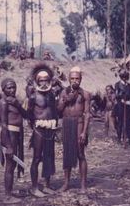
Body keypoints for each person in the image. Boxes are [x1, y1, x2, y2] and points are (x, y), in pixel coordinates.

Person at [57, 66, 91, 194]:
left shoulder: (85, 94)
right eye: (72, 78)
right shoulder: (63, 92)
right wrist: (66, 100)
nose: (75, 81)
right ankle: (66, 183)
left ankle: (83, 185)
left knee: (80, 154)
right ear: (69, 79)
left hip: (79, 123)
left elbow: (87, 113)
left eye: (77, 78)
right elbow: (59, 110)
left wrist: (84, 132)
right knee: (67, 154)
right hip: (66, 123)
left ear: (81, 79)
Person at [27, 63, 58, 197]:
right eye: (41, 81)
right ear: (37, 81)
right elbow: (29, 115)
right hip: (39, 130)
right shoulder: (33, 97)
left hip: (51, 129)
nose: (44, 83)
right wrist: (35, 127)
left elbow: (54, 111)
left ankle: (47, 185)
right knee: (37, 158)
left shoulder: (51, 95)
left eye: (46, 80)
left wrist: (55, 125)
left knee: (49, 157)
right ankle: (34, 187)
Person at [0, 78, 28, 204]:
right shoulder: (4, 103)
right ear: (3, 89)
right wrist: (9, 146)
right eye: (8, 88)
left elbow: (26, 115)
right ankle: (7, 196)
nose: (12, 90)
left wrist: (17, 104)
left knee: (13, 165)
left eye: (13, 87)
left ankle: (9, 191)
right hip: (9, 134)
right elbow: (4, 125)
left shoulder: (14, 102)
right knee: (10, 165)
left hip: (16, 134)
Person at [114, 70, 130, 146]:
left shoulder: (129, 85)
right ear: (121, 77)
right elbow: (116, 95)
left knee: (128, 123)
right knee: (120, 123)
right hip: (120, 106)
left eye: (126, 77)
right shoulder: (117, 84)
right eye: (123, 77)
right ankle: (119, 138)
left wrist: (129, 100)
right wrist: (122, 95)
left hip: (127, 106)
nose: (125, 78)